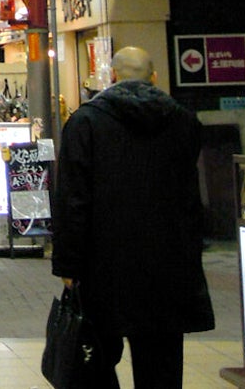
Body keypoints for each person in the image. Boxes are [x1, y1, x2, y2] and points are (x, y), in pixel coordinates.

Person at [52, 47, 213, 389]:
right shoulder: (183, 121)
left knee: (93, 360)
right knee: (162, 365)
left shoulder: (86, 122)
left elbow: (72, 200)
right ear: (154, 78)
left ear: (111, 78)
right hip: (168, 265)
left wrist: (68, 265)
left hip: (103, 265)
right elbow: (190, 197)